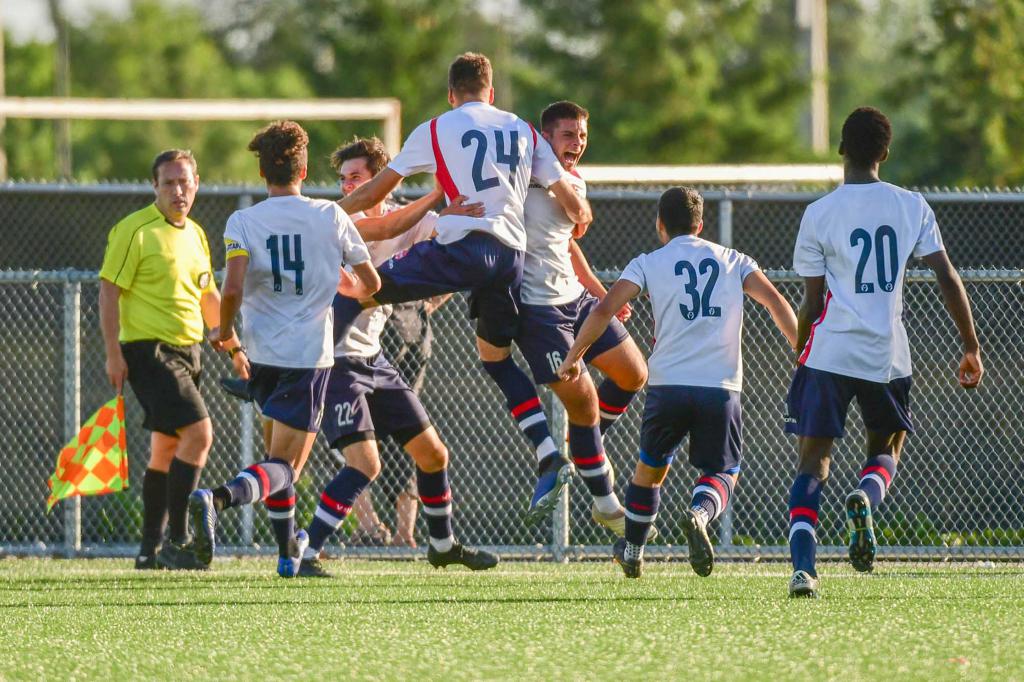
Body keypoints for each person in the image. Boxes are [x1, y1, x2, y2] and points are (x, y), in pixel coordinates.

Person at [332, 56, 592, 478]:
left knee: (361, 291)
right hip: (510, 258)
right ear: (491, 93)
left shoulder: (436, 128)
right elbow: (573, 203)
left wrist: (328, 214)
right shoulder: (524, 130)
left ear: (452, 95)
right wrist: (580, 214)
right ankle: (547, 451)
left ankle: (298, 373)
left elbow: (373, 193)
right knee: (496, 359)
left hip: (462, 247)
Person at [783, 107, 983, 598]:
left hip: (829, 352)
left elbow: (810, 299)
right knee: (887, 448)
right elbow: (946, 275)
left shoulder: (818, 213)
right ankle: (867, 498)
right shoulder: (911, 206)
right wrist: (971, 345)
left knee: (812, 463)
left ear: (841, 151)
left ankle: (804, 571)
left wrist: (799, 348)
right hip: (885, 353)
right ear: (885, 154)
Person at [557, 187, 798, 579]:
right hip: (719, 388)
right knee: (723, 472)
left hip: (666, 386)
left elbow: (605, 309)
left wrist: (575, 355)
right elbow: (775, 302)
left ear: (660, 226)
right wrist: (801, 351)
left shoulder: (649, 262)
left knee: (648, 470)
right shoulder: (734, 260)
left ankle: (632, 550)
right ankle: (701, 514)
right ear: (701, 225)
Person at [294, 137, 498, 576]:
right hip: (335, 360)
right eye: (344, 179)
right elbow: (387, 230)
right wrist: (439, 198)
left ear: (380, 183)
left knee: (433, 454)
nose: (349, 187)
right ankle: (305, 550)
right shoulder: (333, 221)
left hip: (375, 357)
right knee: (365, 464)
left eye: (358, 179)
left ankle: (442, 545)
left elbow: (438, 232)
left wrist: (455, 216)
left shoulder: (408, 217)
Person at [188, 121, 380, 578]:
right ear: (305, 167)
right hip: (307, 357)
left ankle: (286, 555)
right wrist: (349, 286)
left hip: (260, 356)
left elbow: (231, 287)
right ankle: (217, 499)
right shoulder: (331, 216)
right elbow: (371, 283)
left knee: (278, 455)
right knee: (286, 468)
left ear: (262, 172)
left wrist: (225, 331)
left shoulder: (242, 220)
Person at [478, 100, 649, 532]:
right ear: (546, 138)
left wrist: (601, 294)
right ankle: (605, 499)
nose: (578, 143)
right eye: (569, 135)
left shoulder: (575, 182)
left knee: (634, 374)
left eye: (583, 136)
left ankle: (584, 446)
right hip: (539, 314)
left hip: (577, 302)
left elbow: (567, 246)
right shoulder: (522, 176)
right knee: (585, 403)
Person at [98, 149, 245, 571]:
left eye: (185, 182)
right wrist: (112, 351)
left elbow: (208, 297)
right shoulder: (134, 230)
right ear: (154, 187)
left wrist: (233, 346)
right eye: (169, 183)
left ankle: (149, 551)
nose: (179, 190)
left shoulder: (196, 233)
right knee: (199, 434)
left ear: (197, 183)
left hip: (190, 351)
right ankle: (180, 539)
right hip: (149, 350)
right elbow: (109, 290)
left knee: (165, 449)